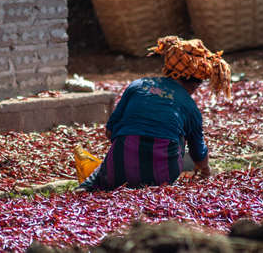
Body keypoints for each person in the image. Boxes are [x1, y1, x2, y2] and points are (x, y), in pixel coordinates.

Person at [77, 36, 231, 191]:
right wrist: (205, 171)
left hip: (119, 170)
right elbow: (198, 151)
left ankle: (88, 186)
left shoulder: (137, 86)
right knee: (180, 136)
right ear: (195, 83)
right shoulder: (189, 106)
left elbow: (110, 130)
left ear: (169, 70)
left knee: (104, 171)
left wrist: (129, 152)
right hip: (161, 177)